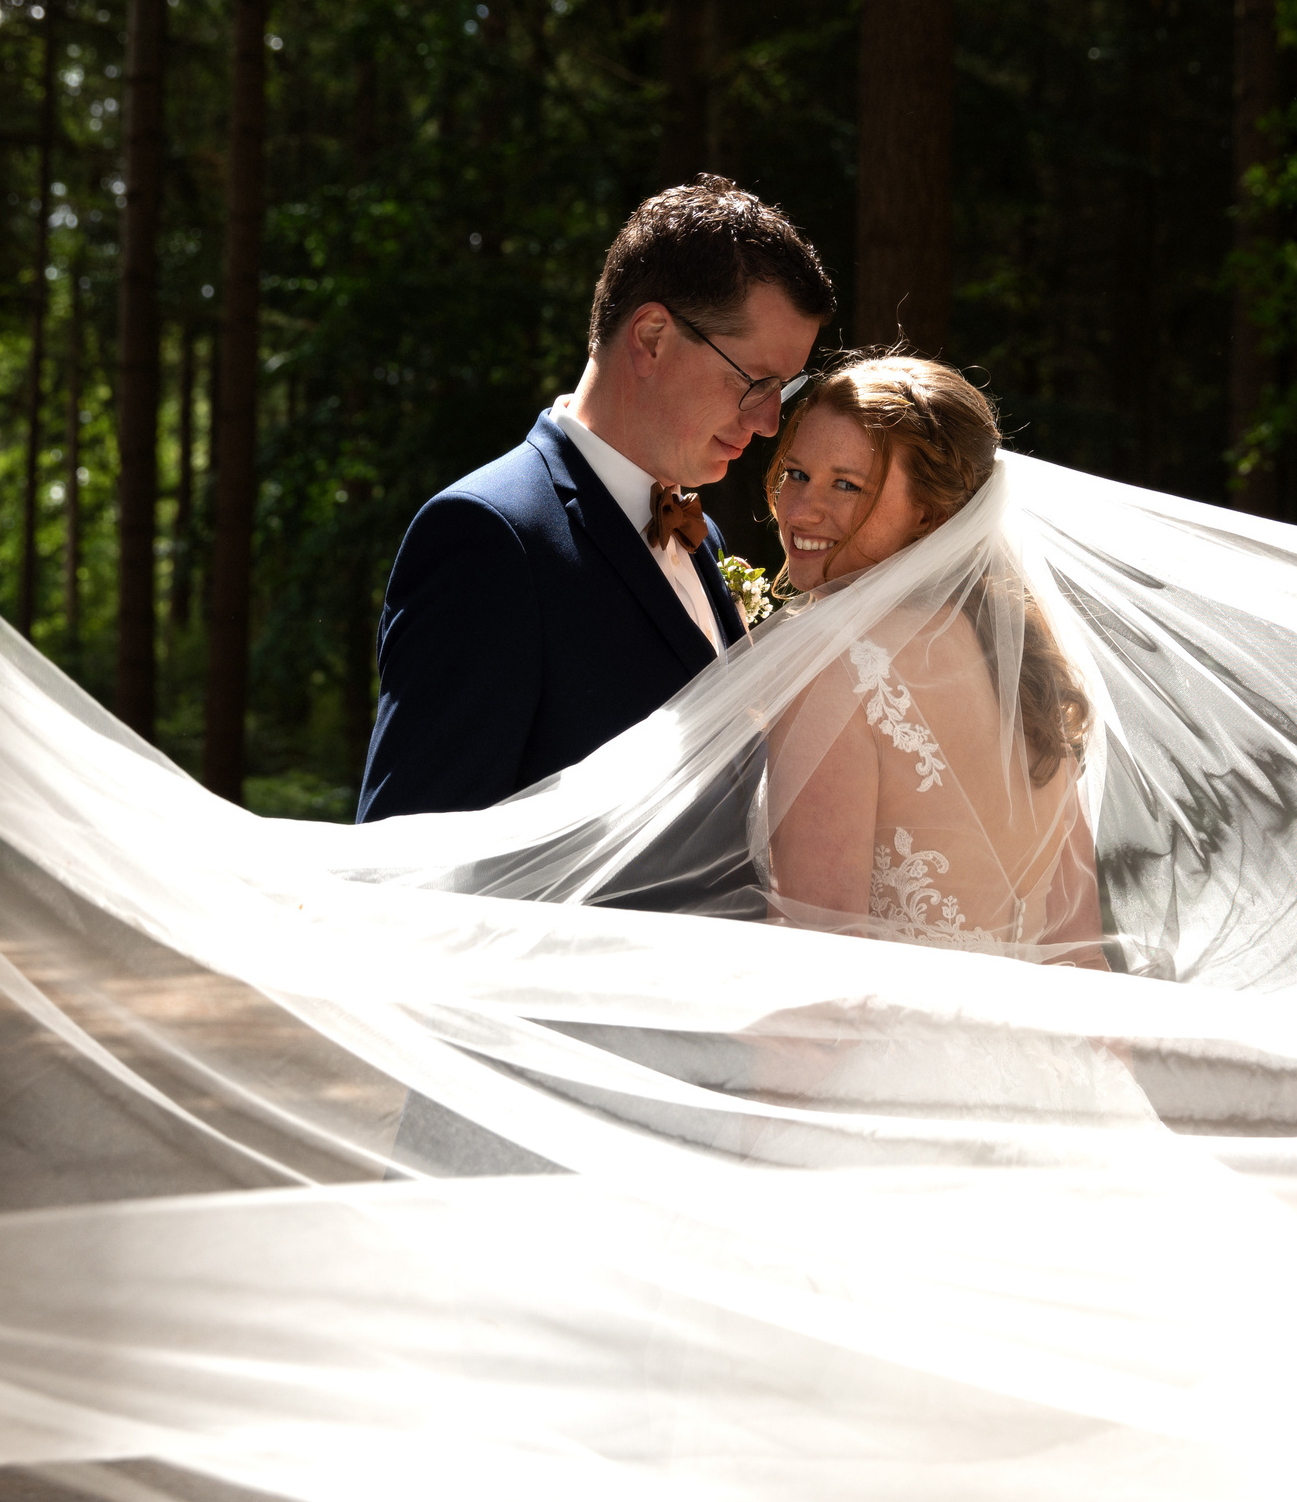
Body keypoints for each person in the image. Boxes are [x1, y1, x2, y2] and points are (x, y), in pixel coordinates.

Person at [355, 176, 834, 822]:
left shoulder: (702, 536)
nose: (770, 421)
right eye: (755, 381)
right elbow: (411, 849)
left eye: (786, 386)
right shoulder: (490, 538)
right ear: (652, 337)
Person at [759, 357, 1109, 966]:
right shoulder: (1026, 670)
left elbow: (814, 970)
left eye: (847, 485)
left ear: (929, 514)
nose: (800, 510)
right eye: (796, 473)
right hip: (1032, 1058)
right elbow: (1081, 956)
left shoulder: (838, 669)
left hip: (881, 1060)